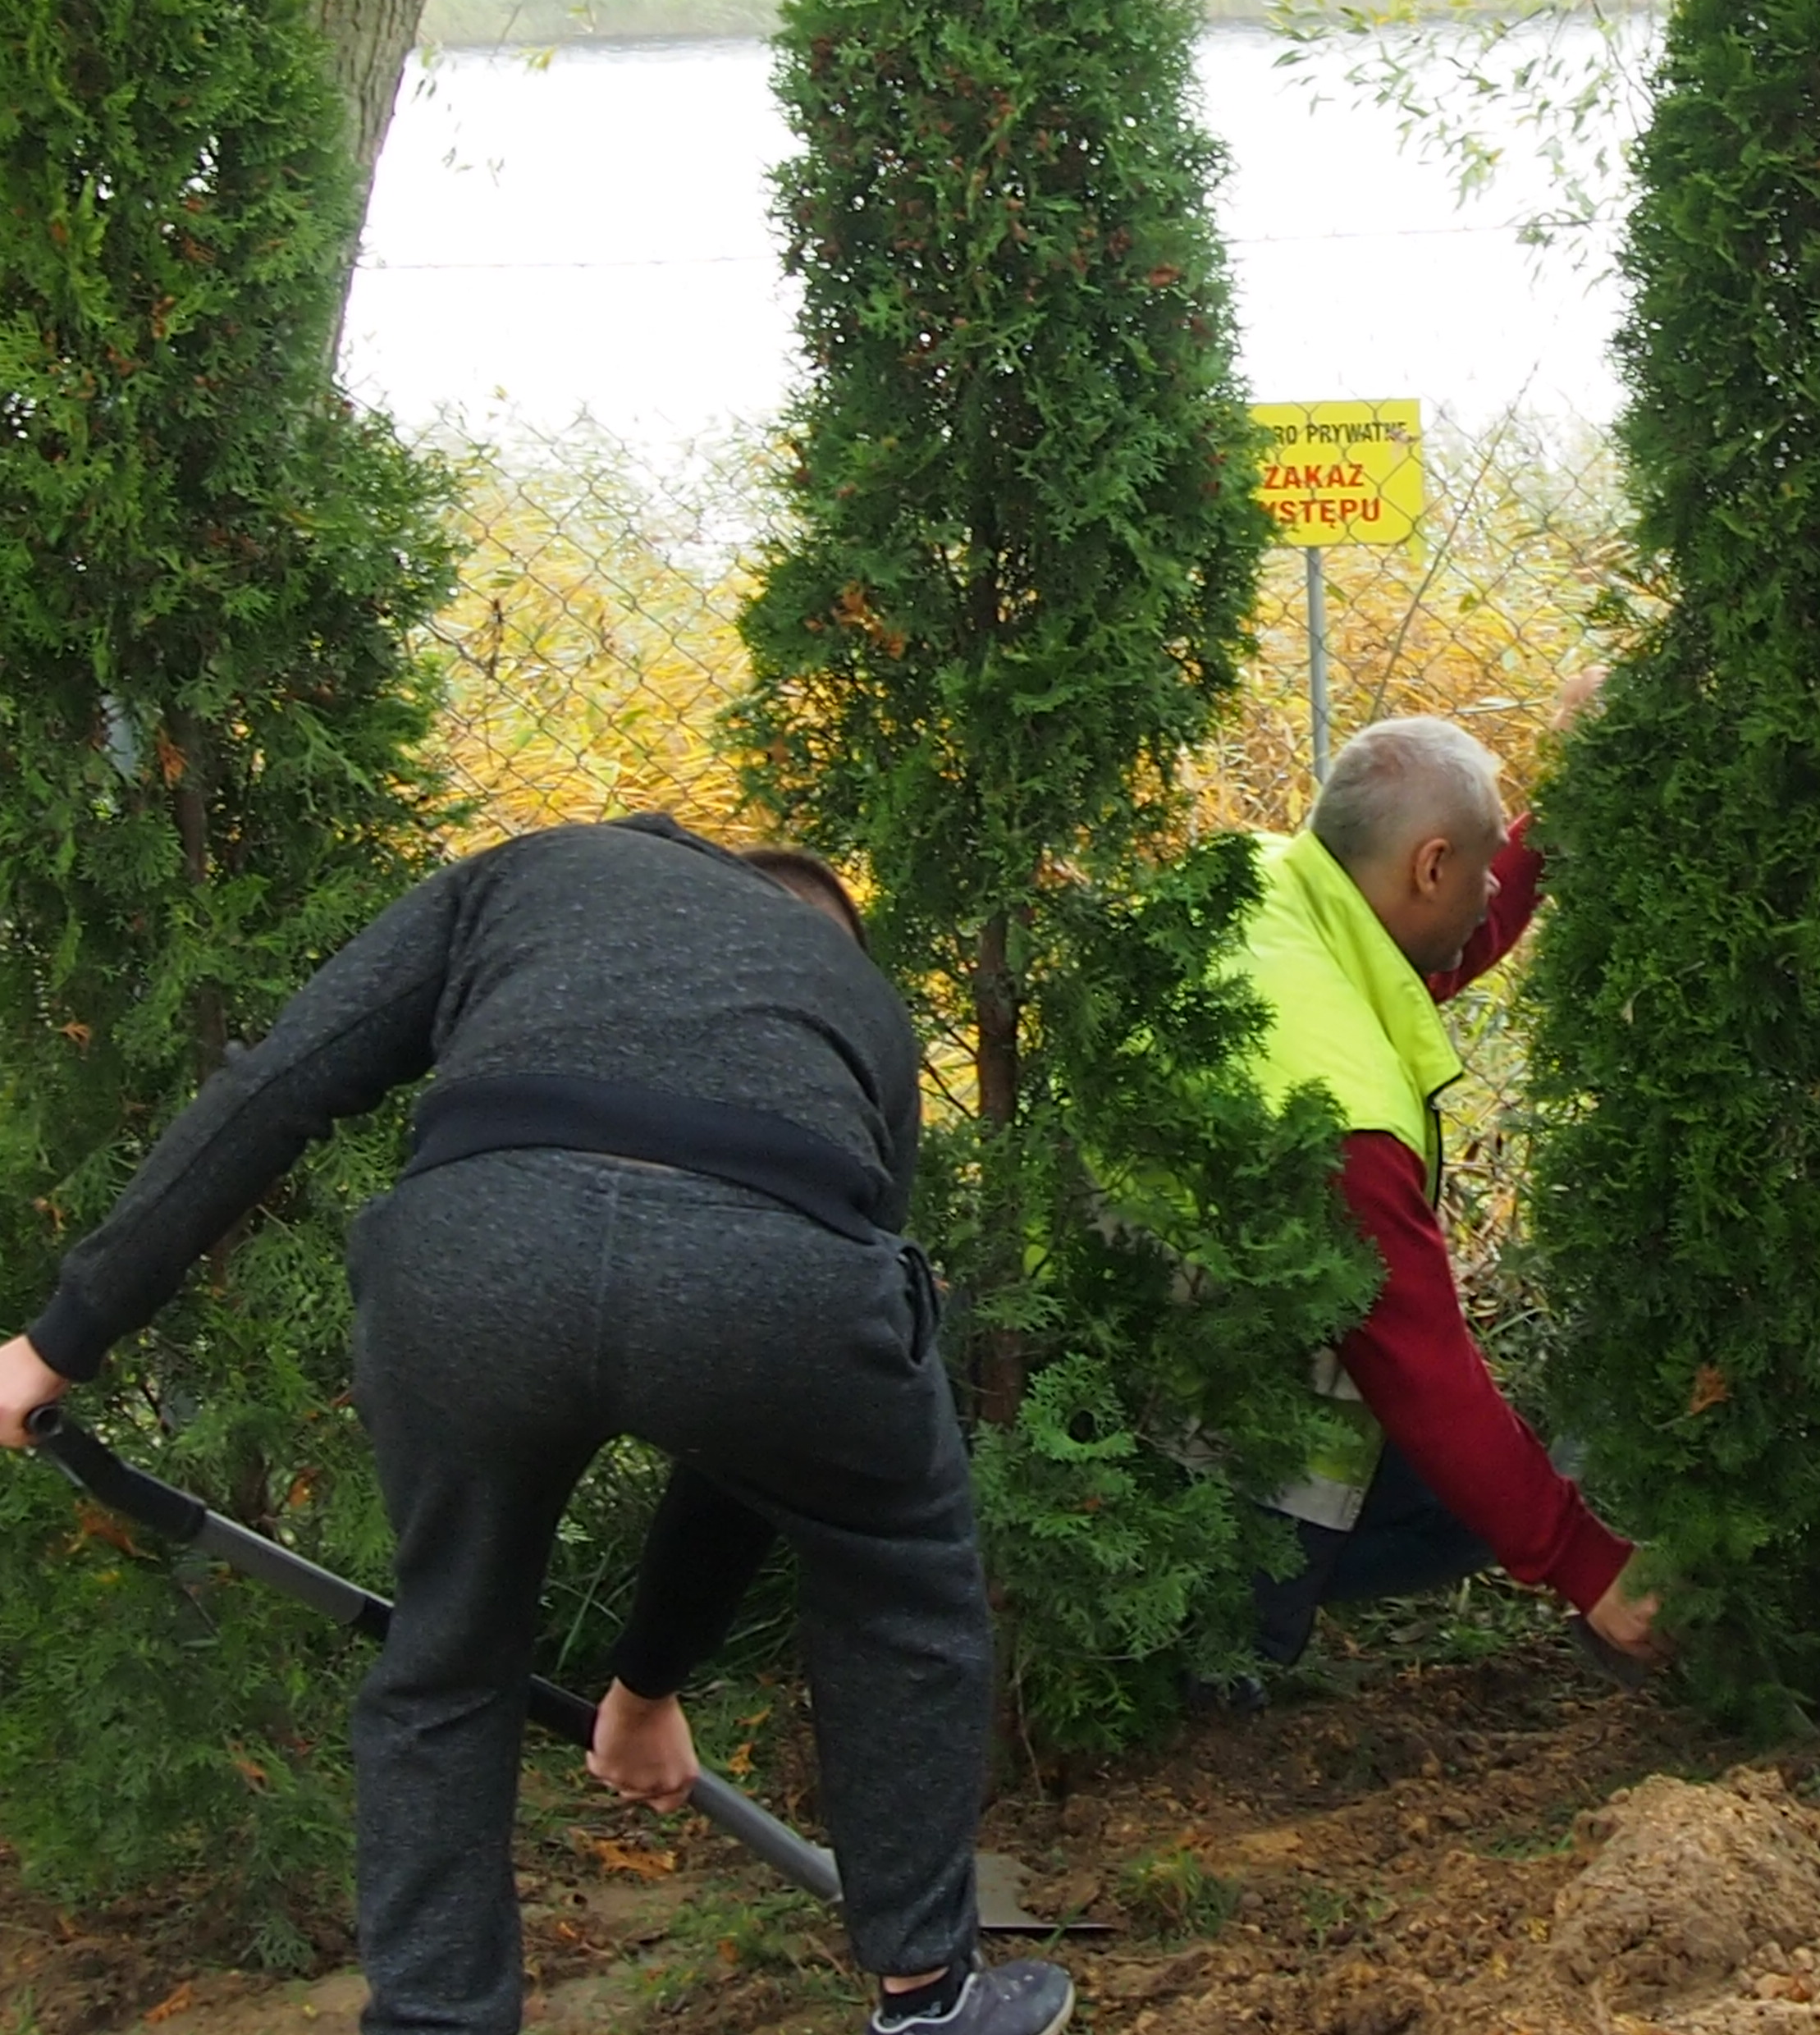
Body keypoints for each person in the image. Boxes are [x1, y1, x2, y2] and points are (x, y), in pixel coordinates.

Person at [0, 816, 1067, 2035]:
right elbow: (773, 1428)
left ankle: (433, 2019)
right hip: (767, 1275)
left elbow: (284, 1079)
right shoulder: (860, 1001)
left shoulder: (533, 870)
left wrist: (62, 1340)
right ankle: (930, 1995)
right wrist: (649, 1680)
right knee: (896, 1578)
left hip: (475, 1258)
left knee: (449, 1651)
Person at [1228, 713, 1666, 1681]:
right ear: (1431, 866)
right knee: (1481, 1460)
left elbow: (1437, 947)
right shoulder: (1342, 1115)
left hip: (1088, 1386)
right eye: (1481, 868)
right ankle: (1221, 1644)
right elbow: (1423, 1376)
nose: (1492, 893)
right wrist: (1589, 1569)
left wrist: (1565, 809)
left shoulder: (1260, 888)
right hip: (1207, 1460)